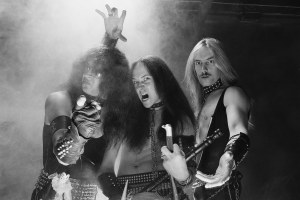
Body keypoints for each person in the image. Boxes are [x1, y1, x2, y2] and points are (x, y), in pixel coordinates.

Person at [31, 5, 132, 200]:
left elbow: (106, 171)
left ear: (112, 80)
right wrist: (78, 135)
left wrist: (121, 195)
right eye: (87, 68)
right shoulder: (60, 100)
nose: (88, 74)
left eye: (97, 71)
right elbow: (63, 155)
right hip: (54, 193)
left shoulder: (114, 116)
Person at [162, 38, 251, 200]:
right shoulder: (196, 106)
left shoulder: (232, 93)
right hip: (194, 190)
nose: (204, 68)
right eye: (198, 63)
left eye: (210, 61)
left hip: (220, 188)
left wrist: (230, 156)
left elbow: (238, 130)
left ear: (221, 64)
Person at [98, 55, 196, 200]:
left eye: (146, 79)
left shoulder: (181, 120)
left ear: (161, 81)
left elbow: (191, 175)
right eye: (135, 82)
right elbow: (105, 170)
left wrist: (183, 177)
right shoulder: (123, 119)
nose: (140, 87)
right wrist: (120, 196)